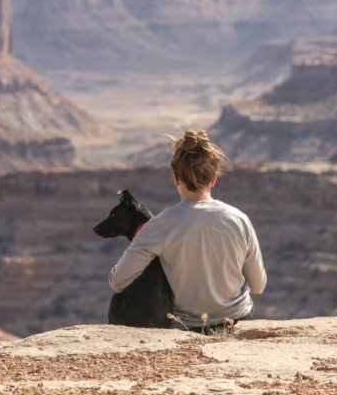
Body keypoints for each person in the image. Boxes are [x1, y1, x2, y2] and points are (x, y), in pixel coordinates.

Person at [109, 129, 267, 332]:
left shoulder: (160, 225)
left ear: (175, 178)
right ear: (213, 179)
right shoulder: (239, 219)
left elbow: (117, 281)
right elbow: (258, 285)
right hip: (238, 321)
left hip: (189, 328)